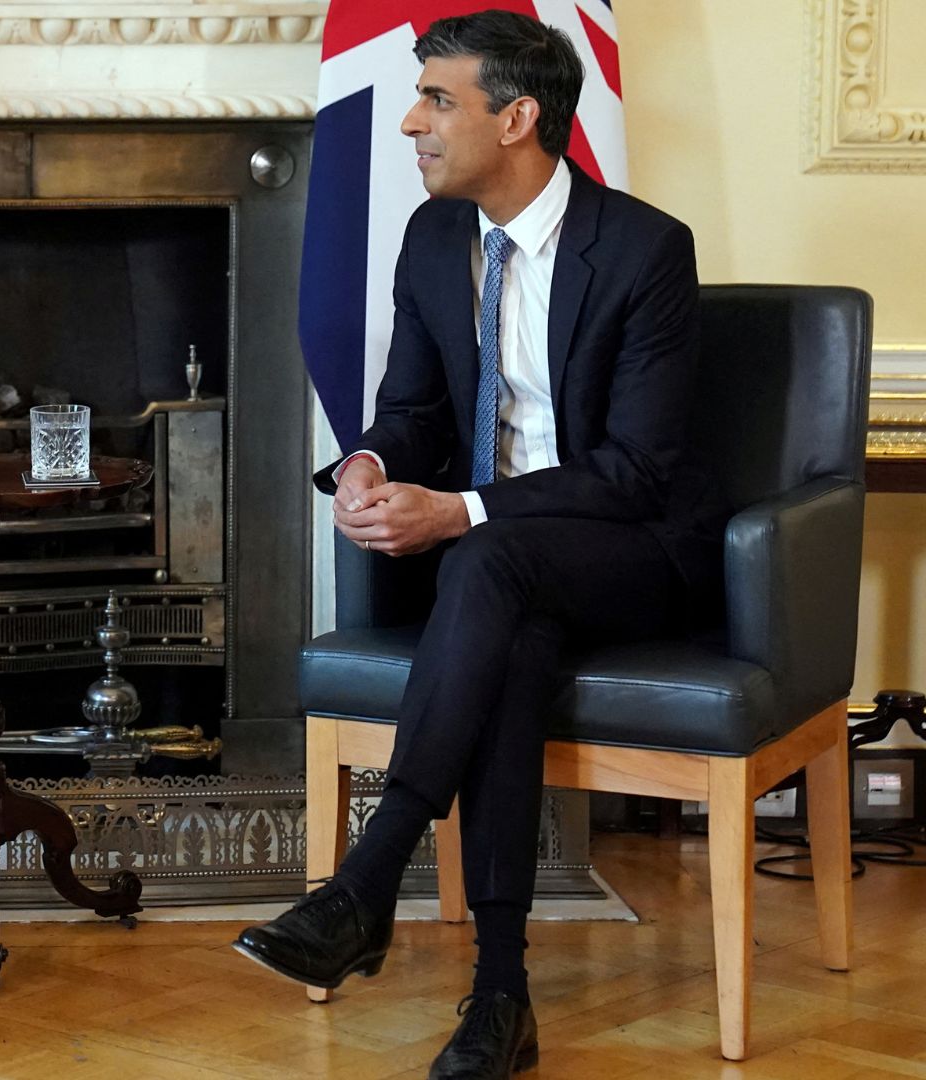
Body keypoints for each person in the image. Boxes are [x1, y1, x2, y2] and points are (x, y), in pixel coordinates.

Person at [233, 11, 725, 1079]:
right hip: (508, 577)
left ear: (517, 117)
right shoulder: (431, 238)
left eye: (436, 100)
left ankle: (371, 878)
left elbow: (636, 473)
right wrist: (365, 465)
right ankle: (499, 997)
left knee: (491, 560)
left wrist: (460, 513)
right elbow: (408, 409)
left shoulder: (645, 250)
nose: (409, 120)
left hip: (633, 550)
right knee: (512, 629)